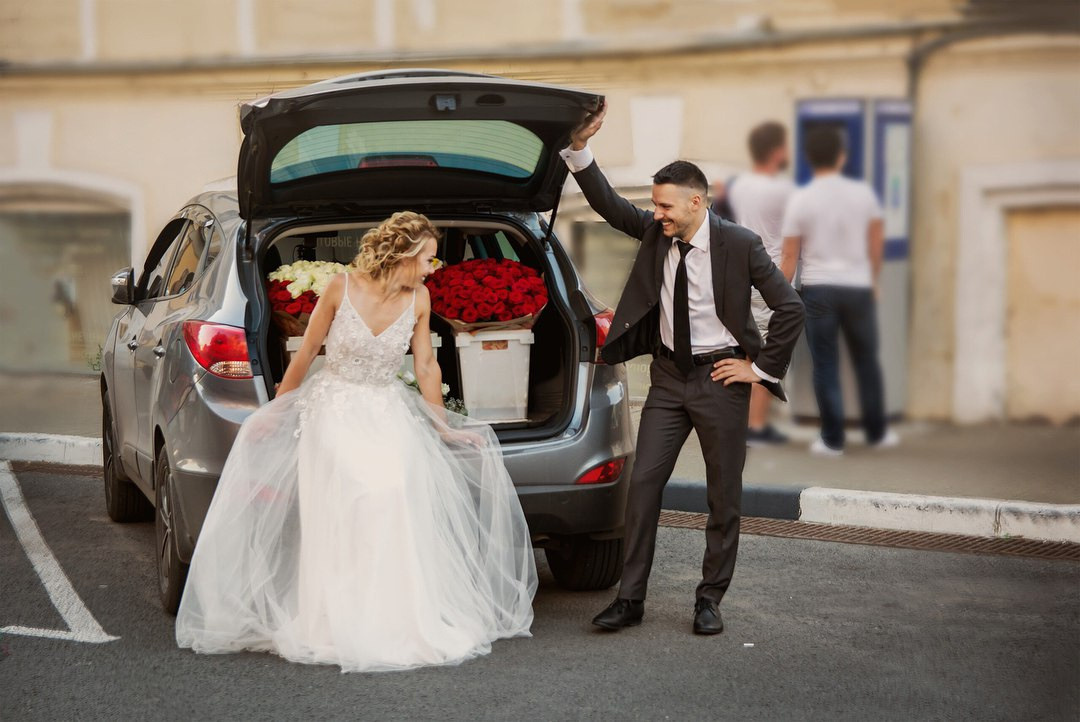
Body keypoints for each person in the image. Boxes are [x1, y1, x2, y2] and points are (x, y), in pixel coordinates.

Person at [176, 212, 536, 672]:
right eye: (428, 257)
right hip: (334, 410)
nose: (433, 266)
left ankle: (391, 619)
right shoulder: (340, 288)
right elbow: (306, 352)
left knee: (394, 496)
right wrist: (277, 410)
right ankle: (332, 620)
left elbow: (426, 366)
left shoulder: (420, 298)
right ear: (404, 255)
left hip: (387, 412)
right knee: (353, 500)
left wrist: (444, 425)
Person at [562, 103, 804, 635]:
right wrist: (578, 149)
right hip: (669, 380)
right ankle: (630, 599)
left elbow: (789, 307)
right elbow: (605, 204)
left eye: (667, 206)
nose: (657, 214)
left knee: (724, 494)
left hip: (720, 379)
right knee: (643, 485)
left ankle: (709, 599)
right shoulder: (654, 233)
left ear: (697, 202)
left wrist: (760, 370)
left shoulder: (739, 245)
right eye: (654, 205)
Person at [779, 127, 899, 455]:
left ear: (808, 158)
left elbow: (790, 256)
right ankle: (877, 433)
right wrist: (873, 280)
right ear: (842, 156)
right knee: (866, 361)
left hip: (819, 290)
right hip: (858, 287)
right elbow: (876, 242)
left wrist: (777, 295)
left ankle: (832, 440)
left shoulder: (801, 199)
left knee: (826, 365)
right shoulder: (863, 194)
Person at [726, 121, 795, 446]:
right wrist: (783, 294)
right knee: (767, 357)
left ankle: (737, 421)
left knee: (743, 351)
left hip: (740, 281)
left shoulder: (737, 187)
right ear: (777, 151)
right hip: (770, 283)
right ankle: (755, 427)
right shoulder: (786, 192)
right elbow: (791, 250)